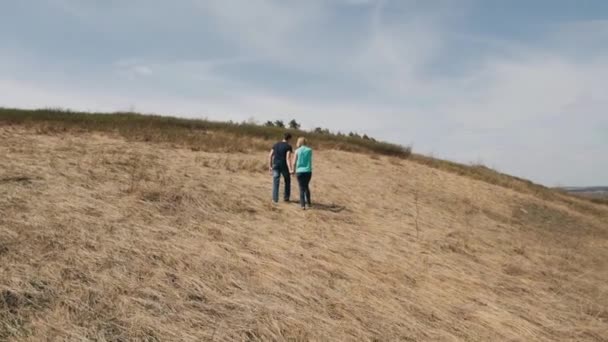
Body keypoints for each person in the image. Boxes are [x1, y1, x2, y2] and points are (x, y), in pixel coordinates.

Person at [268, 132, 293, 203]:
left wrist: (270, 166)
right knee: (287, 181)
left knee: (276, 181)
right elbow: (288, 158)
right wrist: (290, 169)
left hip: (275, 165)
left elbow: (270, 155)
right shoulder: (288, 146)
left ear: (283, 137)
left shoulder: (276, 144)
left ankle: (275, 199)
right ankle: (286, 197)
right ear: (289, 138)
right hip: (284, 165)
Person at [292, 137, 313, 209]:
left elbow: (294, 162)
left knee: (301, 188)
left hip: (299, 171)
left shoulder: (297, 151)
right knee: (306, 186)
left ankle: (303, 205)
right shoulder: (309, 150)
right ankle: (309, 203)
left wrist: (293, 170)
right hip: (308, 171)